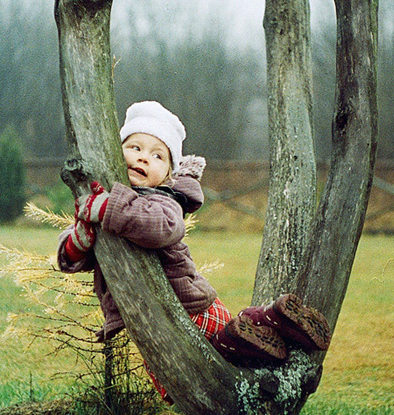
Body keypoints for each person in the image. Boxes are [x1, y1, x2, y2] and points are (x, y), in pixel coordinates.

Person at [58, 100, 330, 399]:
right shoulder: (112, 203)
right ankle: (271, 326)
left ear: (168, 174)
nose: (144, 157)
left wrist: (107, 208)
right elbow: (69, 256)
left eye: (158, 155)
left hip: (188, 307)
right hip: (155, 316)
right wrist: (79, 240)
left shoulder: (161, 199)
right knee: (206, 367)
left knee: (222, 353)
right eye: (135, 147)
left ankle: (271, 319)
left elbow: (161, 227)